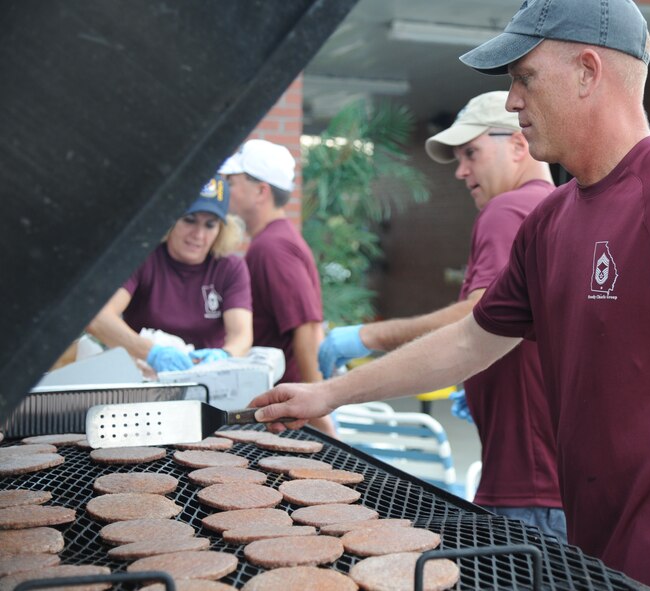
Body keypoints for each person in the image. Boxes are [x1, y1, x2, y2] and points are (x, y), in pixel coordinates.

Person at [248, 0, 650, 589]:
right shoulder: (550, 221)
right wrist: (330, 392)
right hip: (592, 557)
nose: (511, 101)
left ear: (587, 71)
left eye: (524, 77)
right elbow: (471, 341)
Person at [317, 91, 566, 540]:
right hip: (553, 479)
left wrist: (366, 338)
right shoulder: (556, 209)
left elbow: (478, 315)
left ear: (518, 144)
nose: (461, 170)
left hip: (526, 484)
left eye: (471, 153)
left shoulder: (507, 209)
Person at [220, 139, 337, 438]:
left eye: (233, 181)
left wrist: (320, 416)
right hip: (285, 409)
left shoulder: (273, 248)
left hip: (289, 415)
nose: (227, 189)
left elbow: (308, 328)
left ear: (261, 190)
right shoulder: (272, 240)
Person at [88, 175, 252, 372]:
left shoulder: (229, 267)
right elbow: (97, 318)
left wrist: (224, 355)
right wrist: (151, 353)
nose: (199, 235)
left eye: (210, 224)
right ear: (170, 220)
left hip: (207, 381)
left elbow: (241, 335)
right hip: (143, 380)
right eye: (189, 220)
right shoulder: (143, 258)